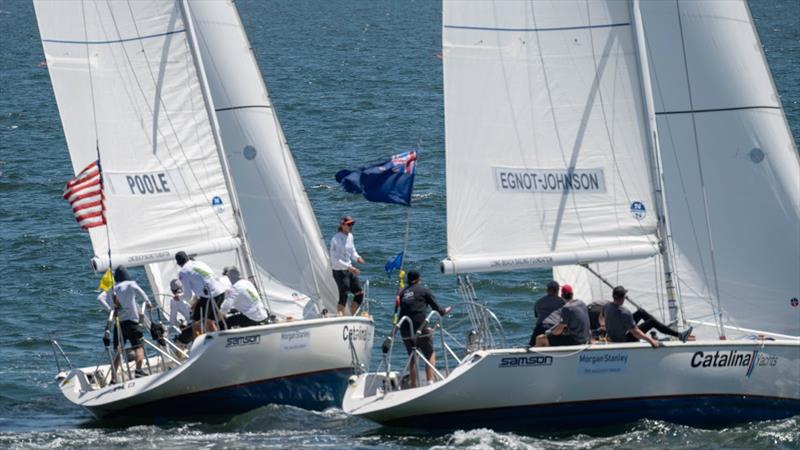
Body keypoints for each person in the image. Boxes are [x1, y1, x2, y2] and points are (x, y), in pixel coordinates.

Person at [398, 270, 452, 387]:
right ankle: (430, 382)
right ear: (418, 279)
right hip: (420, 328)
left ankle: (413, 385)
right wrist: (446, 310)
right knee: (430, 353)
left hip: (405, 329)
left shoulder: (402, 293)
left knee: (413, 356)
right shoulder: (423, 290)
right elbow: (438, 310)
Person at [599, 286, 692, 344]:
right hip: (624, 340)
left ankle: (661, 327)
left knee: (641, 312)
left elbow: (601, 316)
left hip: (614, 335)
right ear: (623, 298)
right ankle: (679, 335)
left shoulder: (607, 306)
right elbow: (636, 332)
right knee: (651, 322)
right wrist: (651, 341)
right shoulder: (624, 312)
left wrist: (603, 325)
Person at [110, 266, 151, 379]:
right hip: (132, 321)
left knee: (118, 350)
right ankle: (138, 370)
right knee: (138, 347)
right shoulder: (131, 284)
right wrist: (148, 303)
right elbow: (142, 294)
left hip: (119, 324)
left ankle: (113, 377)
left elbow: (111, 307)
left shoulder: (112, 289)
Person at [175, 251, 226, 335]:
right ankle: (218, 339)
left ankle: (199, 343)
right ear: (187, 258)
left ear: (178, 263)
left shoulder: (183, 272)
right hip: (221, 293)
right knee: (209, 321)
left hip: (210, 297)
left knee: (196, 323)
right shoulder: (199, 263)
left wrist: (179, 297)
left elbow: (188, 295)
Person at [329, 215, 365, 315]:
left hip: (349, 269)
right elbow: (334, 260)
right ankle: (340, 318)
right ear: (342, 225)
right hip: (339, 271)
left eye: (352, 224)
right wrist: (349, 267)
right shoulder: (335, 239)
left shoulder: (350, 236)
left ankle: (352, 316)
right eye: (349, 224)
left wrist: (357, 258)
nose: (351, 226)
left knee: (359, 293)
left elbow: (352, 251)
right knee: (343, 295)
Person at [528, 280, 564, 346]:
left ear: (547, 290)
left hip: (539, 328)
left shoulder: (539, 302)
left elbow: (537, 316)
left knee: (531, 346)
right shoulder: (562, 302)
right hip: (553, 329)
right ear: (558, 291)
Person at [168, 279, 194, 352]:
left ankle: (183, 361)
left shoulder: (174, 300)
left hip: (193, 327)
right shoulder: (191, 293)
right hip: (205, 321)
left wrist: (179, 325)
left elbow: (172, 321)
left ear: (172, 291)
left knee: (178, 344)